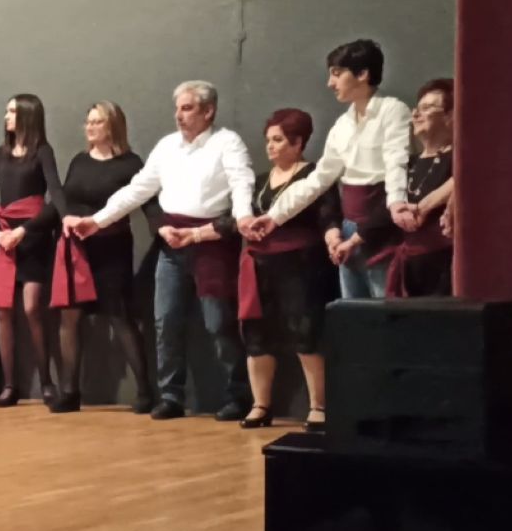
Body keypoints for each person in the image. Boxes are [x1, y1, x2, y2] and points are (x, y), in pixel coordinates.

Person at [65, 81, 254, 421]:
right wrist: (97, 221)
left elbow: (242, 183)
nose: (179, 116)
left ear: (208, 111)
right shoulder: (168, 146)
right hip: (171, 240)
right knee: (165, 321)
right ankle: (170, 395)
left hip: (211, 241)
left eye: (187, 108)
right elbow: (138, 189)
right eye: (177, 109)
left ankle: (237, 394)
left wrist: (242, 217)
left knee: (218, 322)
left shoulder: (227, 143)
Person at [246, 39, 412, 299]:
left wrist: (397, 202)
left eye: (336, 74)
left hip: (382, 223)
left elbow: (396, 162)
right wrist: (275, 216)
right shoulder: (342, 125)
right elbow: (319, 179)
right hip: (349, 225)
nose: (330, 83)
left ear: (362, 74)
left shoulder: (392, 110)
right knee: (351, 309)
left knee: (385, 307)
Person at [232, 109, 338, 432]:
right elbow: (238, 217)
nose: (270, 146)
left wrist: (333, 236)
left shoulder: (314, 176)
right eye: (268, 140)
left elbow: (328, 215)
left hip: (300, 264)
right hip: (260, 264)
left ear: (298, 142)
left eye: (278, 140)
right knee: (257, 334)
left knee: (305, 331)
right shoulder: (261, 181)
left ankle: (318, 406)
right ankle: (261, 404)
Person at [46, 101, 154, 414]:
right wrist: (30, 228)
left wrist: (163, 228)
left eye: (98, 122)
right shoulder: (79, 161)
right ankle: (69, 391)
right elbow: (63, 200)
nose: (90, 127)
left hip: (111, 248)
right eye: (88, 121)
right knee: (70, 316)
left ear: (113, 126)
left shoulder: (130, 163)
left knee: (120, 316)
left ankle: (145, 391)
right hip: (77, 250)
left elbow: (146, 201)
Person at [0, 94, 61, 408]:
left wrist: (26, 230)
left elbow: (56, 196)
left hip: (32, 236)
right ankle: (10, 385)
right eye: (7, 111)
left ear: (28, 115)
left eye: (12, 111)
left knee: (31, 308)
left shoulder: (43, 152)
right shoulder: (1, 154)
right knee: (2, 310)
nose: (7, 116)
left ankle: (47, 381)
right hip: (4, 238)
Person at [369, 78, 455, 297]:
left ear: (451, 115)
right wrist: (350, 241)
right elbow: (387, 209)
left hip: (446, 265)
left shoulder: (460, 159)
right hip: (411, 266)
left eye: (427, 108)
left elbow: (464, 181)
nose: (415, 114)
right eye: (417, 108)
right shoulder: (410, 163)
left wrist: (424, 207)